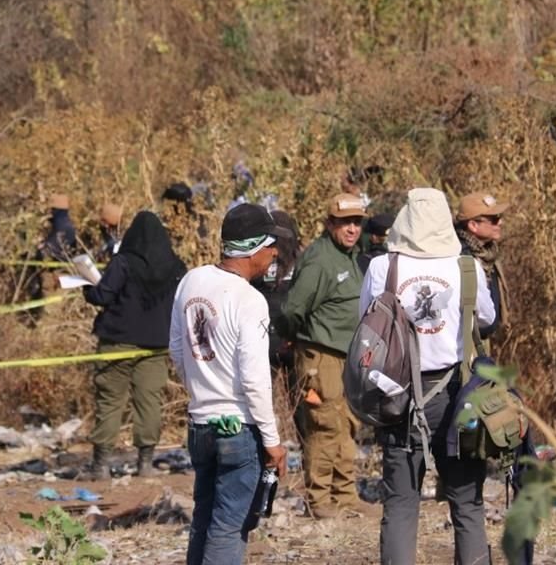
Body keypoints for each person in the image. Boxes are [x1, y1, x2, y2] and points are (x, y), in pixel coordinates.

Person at [360, 188, 496, 565]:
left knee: (401, 504)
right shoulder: (466, 267)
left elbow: (365, 326)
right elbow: (487, 320)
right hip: (457, 396)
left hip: (397, 397)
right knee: (467, 502)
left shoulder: (382, 268)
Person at [169, 203, 289, 565]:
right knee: (228, 529)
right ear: (255, 249)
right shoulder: (249, 299)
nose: (275, 255)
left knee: (203, 520)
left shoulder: (192, 281)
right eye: (272, 248)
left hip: (200, 425)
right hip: (238, 429)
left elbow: (177, 348)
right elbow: (254, 379)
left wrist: (202, 386)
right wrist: (272, 441)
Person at [279, 193, 368, 519]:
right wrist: (295, 341)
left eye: (357, 222)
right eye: (345, 222)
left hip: (349, 357)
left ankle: (345, 496)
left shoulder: (350, 256)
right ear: (330, 223)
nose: (352, 229)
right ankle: (319, 501)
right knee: (324, 427)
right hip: (321, 357)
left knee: (347, 425)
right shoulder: (319, 260)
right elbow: (292, 311)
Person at [80, 210, 187, 480]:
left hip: (117, 342)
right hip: (156, 346)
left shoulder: (124, 262)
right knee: (149, 402)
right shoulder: (176, 267)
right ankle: (145, 463)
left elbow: (103, 295)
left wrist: (86, 286)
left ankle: (101, 465)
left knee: (110, 402)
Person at [454, 192, 510, 349]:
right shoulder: (460, 258)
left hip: (482, 341)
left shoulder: (489, 253)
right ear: (473, 225)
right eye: (493, 219)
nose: (500, 222)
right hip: (463, 346)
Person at [251, 210, 302, 369]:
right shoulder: (302, 262)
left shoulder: (259, 262)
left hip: (263, 335)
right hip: (293, 336)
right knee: (296, 390)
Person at [40, 193, 77, 261]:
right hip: (68, 232)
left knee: (44, 251)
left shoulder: (58, 215)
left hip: (62, 233)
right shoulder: (63, 216)